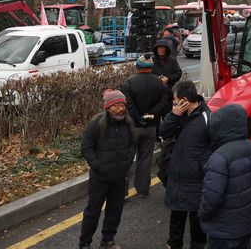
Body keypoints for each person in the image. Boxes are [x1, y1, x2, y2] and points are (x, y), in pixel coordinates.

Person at [199, 104, 251, 249]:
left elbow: (212, 198)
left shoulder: (219, 157)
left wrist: (202, 214)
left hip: (223, 230)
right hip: (246, 223)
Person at [80, 90, 136, 249]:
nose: (120, 109)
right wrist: (98, 166)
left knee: (115, 211)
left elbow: (133, 144)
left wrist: (127, 162)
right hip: (100, 178)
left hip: (119, 178)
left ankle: (107, 240)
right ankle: (85, 243)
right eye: (115, 106)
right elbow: (86, 147)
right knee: (93, 212)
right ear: (107, 108)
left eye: (122, 105)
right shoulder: (96, 123)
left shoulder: (128, 122)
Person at [161, 81, 211, 249]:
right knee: (176, 220)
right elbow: (164, 132)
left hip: (196, 182)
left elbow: (214, 149)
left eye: (175, 100)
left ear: (184, 100)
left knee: (197, 225)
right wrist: (173, 115)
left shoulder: (207, 118)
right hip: (177, 178)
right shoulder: (178, 115)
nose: (173, 104)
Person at [122, 54, 171, 198]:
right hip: (151, 128)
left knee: (127, 159)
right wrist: (149, 116)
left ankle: (122, 191)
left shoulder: (129, 82)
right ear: (151, 67)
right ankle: (142, 190)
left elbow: (128, 105)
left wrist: (139, 118)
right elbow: (163, 104)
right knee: (145, 159)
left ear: (137, 67)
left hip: (132, 127)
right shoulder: (160, 83)